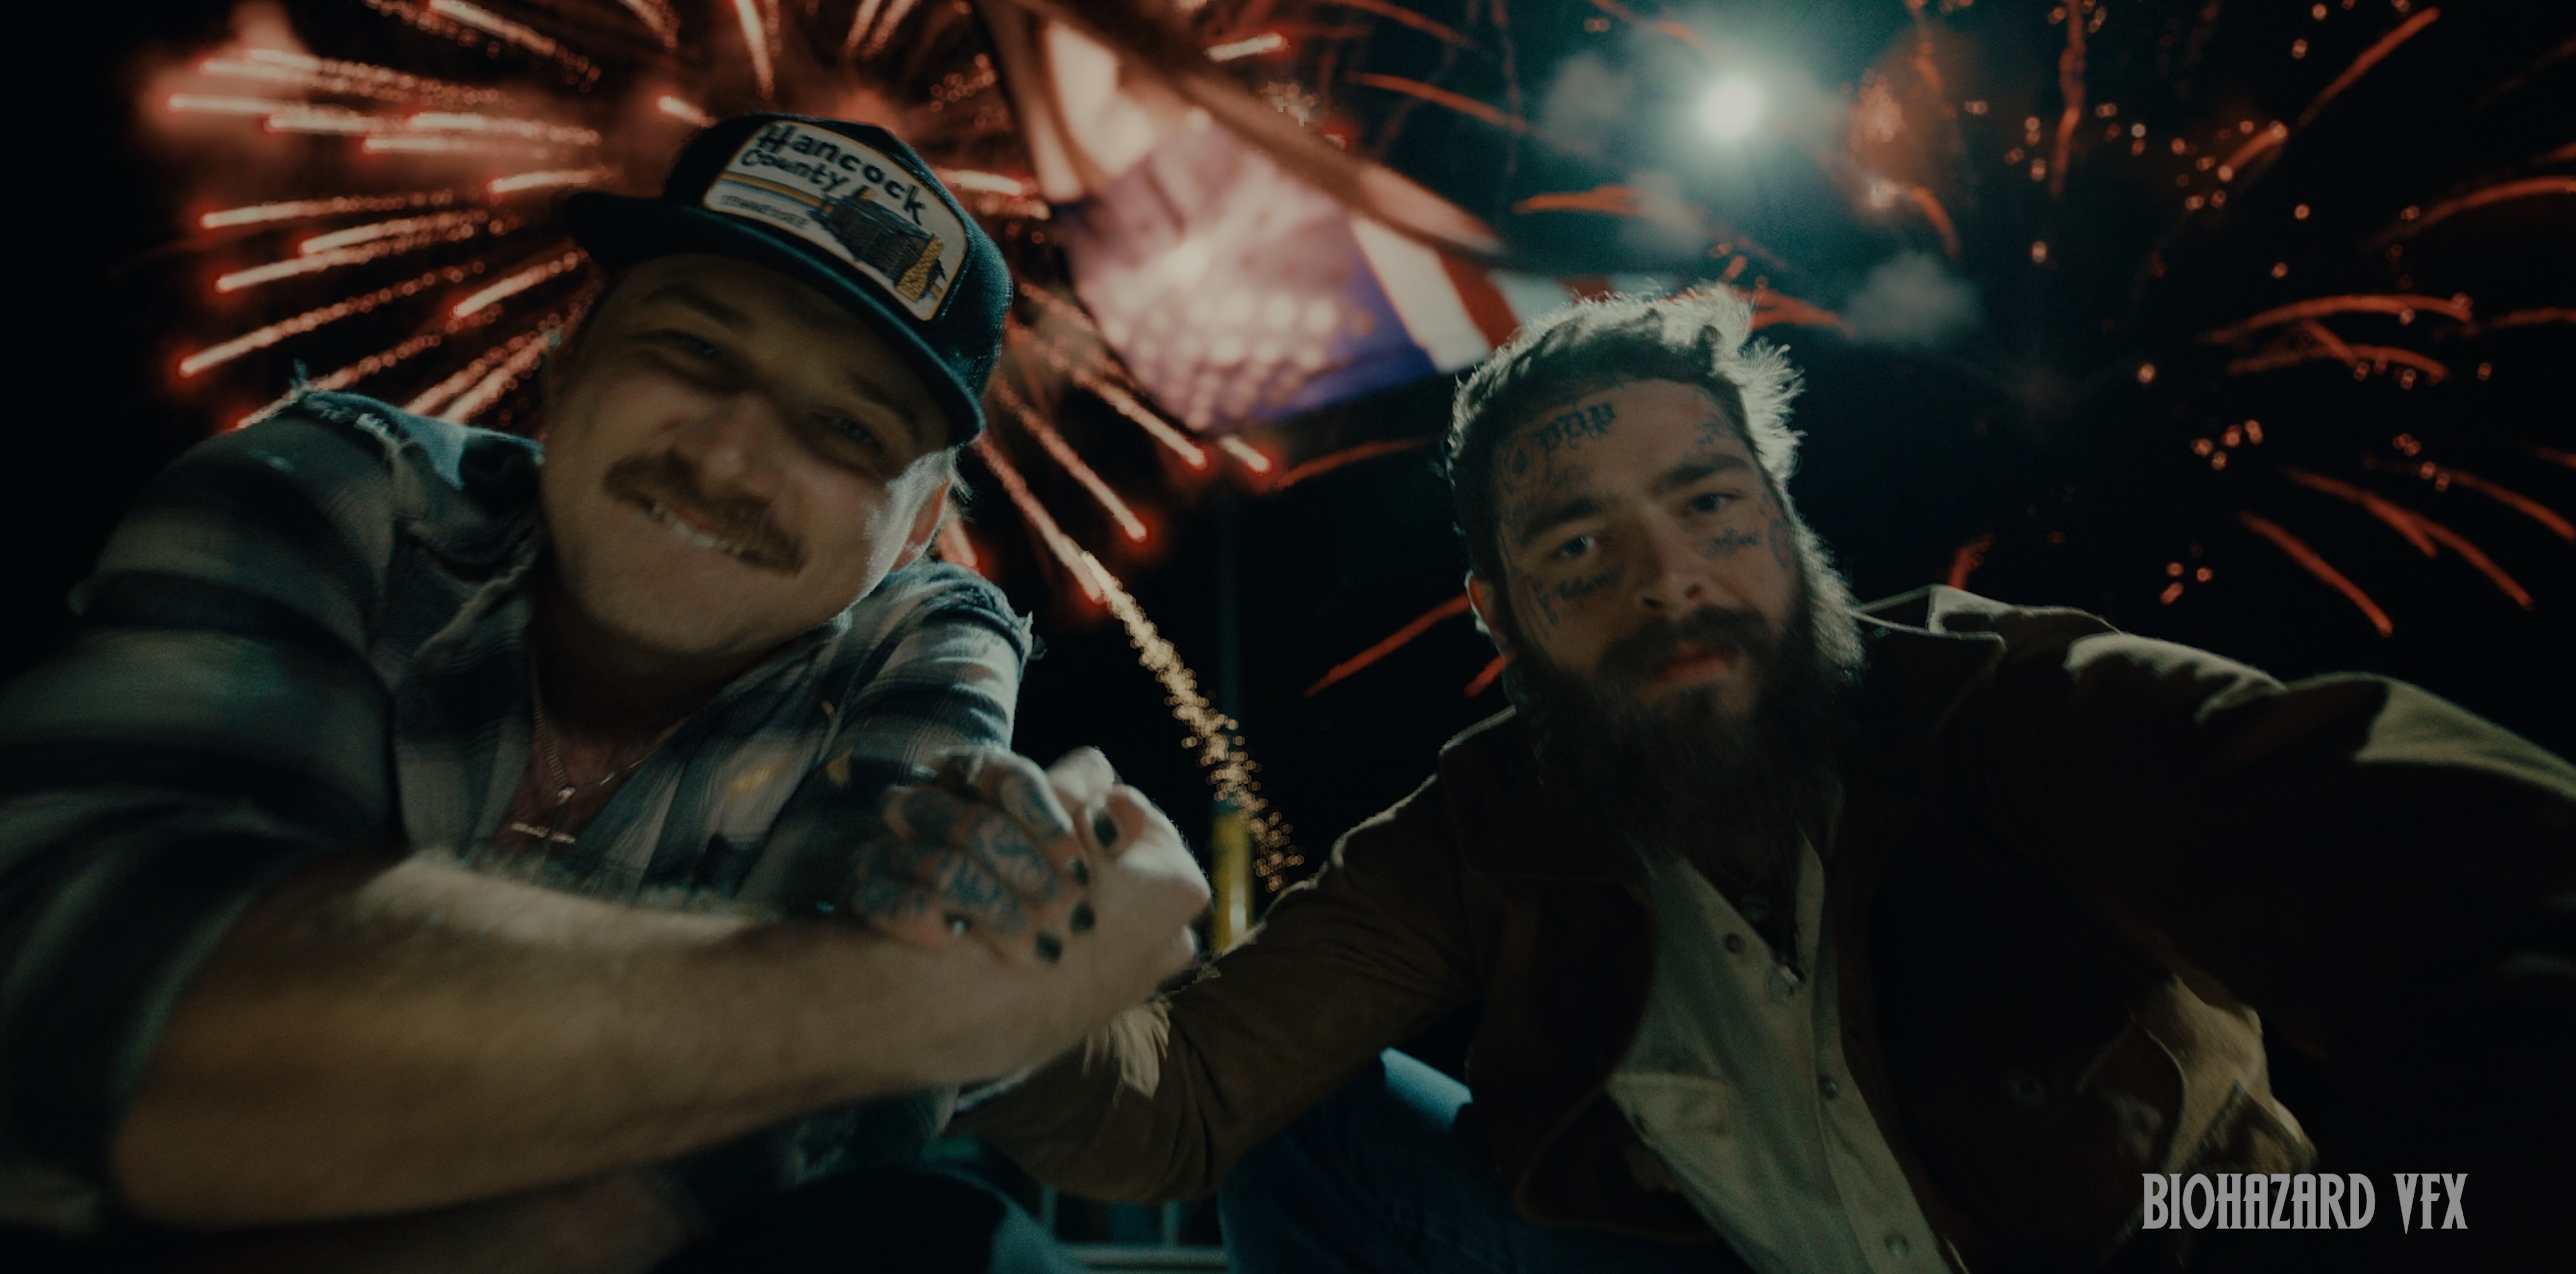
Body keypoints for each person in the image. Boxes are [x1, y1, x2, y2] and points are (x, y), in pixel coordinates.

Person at [945, 289, 2576, 1272]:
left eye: (1713, 508)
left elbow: (2488, 872)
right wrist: (1006, 989)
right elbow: (1178, 1100)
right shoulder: (1479, 828)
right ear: (1495, 615)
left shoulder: (2013, 711)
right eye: (1574, 547)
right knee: (1308, 1130)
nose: (1667, 578)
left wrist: (2368, 1220)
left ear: (1789, 531)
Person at [0, 114, 1208, 1271]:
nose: (728, 457)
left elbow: (813, 1141)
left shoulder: (926, 638)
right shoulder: (331, 488)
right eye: (694, 350)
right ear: (567, 360)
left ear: (919, 527)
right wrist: (930, 1001)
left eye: (847, 428)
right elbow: (75, 999)